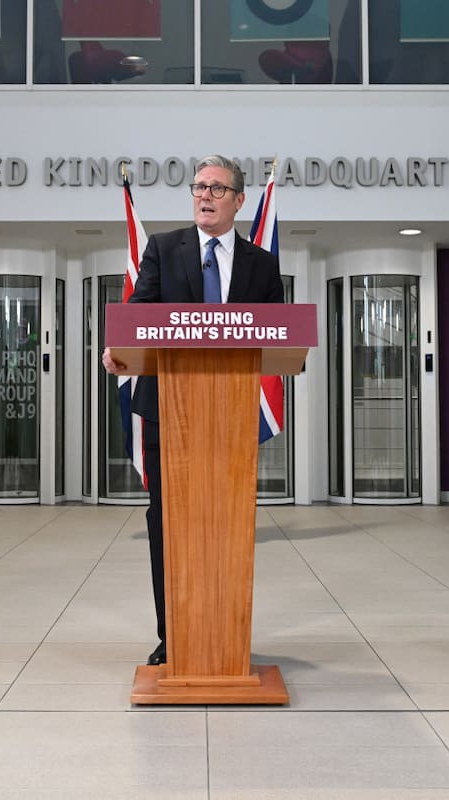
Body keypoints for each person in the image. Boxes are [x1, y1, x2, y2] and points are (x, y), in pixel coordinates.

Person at [102, 155, 285, 666]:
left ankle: (227, 631)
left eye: (217, 189)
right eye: (198, 187)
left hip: (230, 415)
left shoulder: (261, 264)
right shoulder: (164, 248)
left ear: (239, 200)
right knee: (169, 524)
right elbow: (139, 311)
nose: (204, 196)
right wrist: (121, 343)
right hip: (168, 412)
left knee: (226, 525)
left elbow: (276, 334)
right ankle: (174, 633)